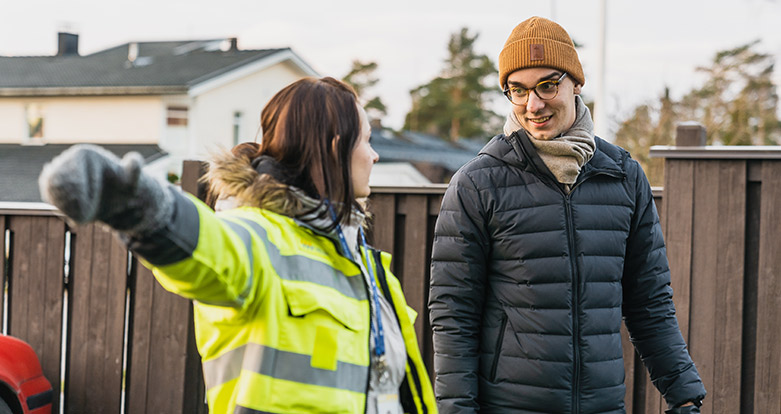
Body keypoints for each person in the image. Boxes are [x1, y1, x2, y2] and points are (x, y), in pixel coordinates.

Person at [39, 76, 437, 414]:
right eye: (367, 140)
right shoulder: (258, 238)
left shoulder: (368, 267)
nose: (375, 155)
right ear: (336, 149)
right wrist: (128, 198)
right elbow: (207, 247)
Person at [428, 17, 706, 414]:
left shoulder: (624, 176)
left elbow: (650, 303)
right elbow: (453, 315)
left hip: (604, 406)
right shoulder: (477, 183)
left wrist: (684, 393)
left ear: (576, 83)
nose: (533, 105)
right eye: (517, 90)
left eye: (547, 85)